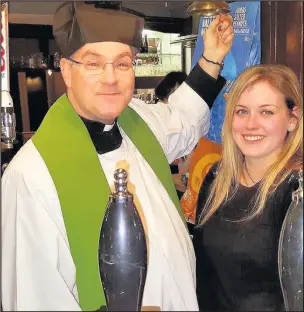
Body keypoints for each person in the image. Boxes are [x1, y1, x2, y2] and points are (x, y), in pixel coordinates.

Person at [1, 2, 234, 311]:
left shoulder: (137, 121)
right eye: (94, 63)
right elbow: (33, 297)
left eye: (122, 63)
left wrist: (212, 57)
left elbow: (184, 117)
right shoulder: (31, 175)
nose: (111, 78)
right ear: (67, 71)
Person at [193, 64, 303, 311]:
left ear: (292, 120)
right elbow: (204, 274)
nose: (251, 125)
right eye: (242, 112)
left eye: (266, 112)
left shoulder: (297, 190)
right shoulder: (217, 178)